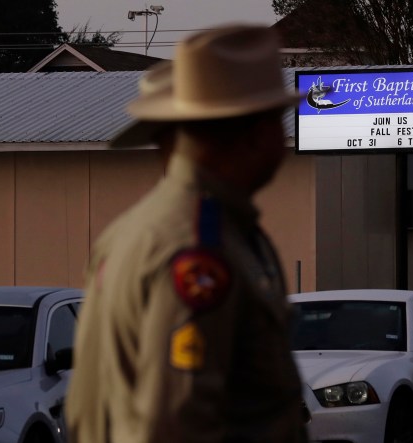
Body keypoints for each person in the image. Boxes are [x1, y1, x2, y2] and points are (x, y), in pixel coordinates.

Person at [65, 25, 307, 443]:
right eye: (275, 122)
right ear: (251, 134)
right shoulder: (199, 249)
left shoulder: (138, 230)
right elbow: (176, 424)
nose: (282, 142)